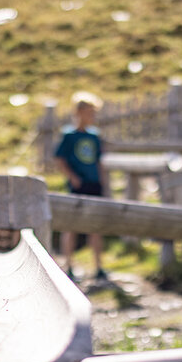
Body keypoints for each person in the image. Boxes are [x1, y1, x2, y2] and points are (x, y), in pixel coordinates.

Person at [55, 91, 107, 281]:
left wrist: (102, 180)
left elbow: (98, 160)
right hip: (77, 185)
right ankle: (68, 264)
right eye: (89, 112)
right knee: (71, 225)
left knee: (95, 226)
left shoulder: (95, 136)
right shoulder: (69, 135)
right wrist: (73, 177)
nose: (92, 116)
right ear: (79, 112)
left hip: (94, 184)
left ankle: (98, 266)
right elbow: (60, 159)